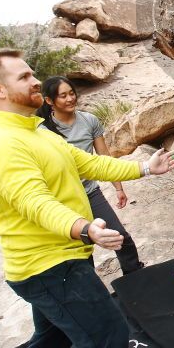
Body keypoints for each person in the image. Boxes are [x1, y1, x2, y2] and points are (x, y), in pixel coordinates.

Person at [0, 49, 174, 348]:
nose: (36, 80)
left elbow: (88, 163)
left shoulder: (37, 132)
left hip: (57, 262)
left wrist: (142, 167)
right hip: (49, 267)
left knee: (50, 340)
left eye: (32, 73)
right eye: (23, 77)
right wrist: (84, 229)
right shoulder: (0, 145)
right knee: (109, 339)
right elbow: (34, 202)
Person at [36, 76, 143, 275]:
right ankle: (89, 284)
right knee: (81, 250)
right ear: (49, 101)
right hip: (63, 198)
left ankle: (135, 275)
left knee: (120, 237)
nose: (70, 99)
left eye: (71, 93)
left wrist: (118, 188)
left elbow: (104, 157)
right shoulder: (42, 130)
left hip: (90, 192)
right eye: (63, 96)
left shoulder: (89, 120)